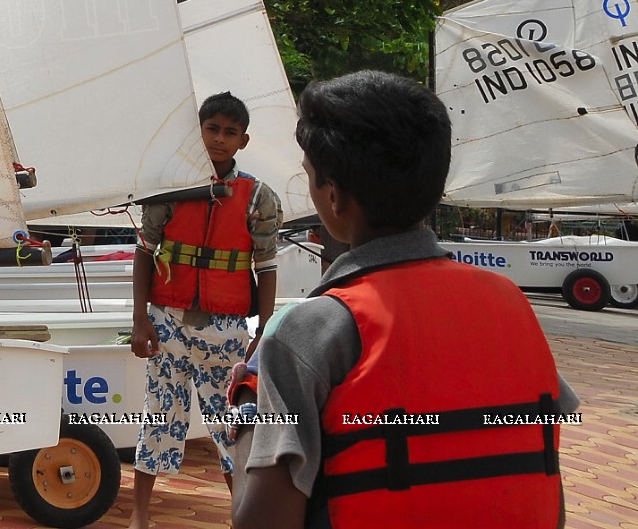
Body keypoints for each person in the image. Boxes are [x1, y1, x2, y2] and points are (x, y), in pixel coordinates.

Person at [233, 70, 575, 529]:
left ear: (333, 195)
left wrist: (246, 413)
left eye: (310, 176)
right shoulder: (510, 303)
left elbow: (261, 522)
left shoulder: (310, 330)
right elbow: (537, 463)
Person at [129, 91, 283, 529]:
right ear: (198, 132)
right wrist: (140, 320)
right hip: (166, 323)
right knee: (158, 417)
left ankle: (242, 519)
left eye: (229, 132)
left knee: (231, 426)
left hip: (227, 330)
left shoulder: (258, 198)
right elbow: (144, 252)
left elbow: (267, 264)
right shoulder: (169, 188)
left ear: (243, 140)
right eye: (212, 129)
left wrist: (264, 327)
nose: (219, 138)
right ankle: (139, 516)